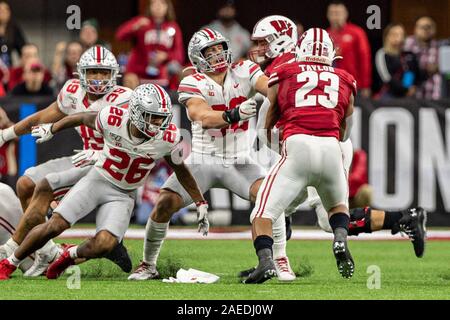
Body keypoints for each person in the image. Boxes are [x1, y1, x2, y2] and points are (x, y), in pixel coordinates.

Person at [128, 29, 296, 282]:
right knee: (164, 204)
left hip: (240, 160)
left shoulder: (245, 70)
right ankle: (148, 264)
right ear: (198, 57)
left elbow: (271, 90)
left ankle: (280, 260)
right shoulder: (192, 81)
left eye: (219, 48)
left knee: (270, 199)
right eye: (210, 51)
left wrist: (277, 90)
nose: (218, 54)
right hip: (203, 160)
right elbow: (202, 117)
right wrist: (234, 114)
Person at [0, 84, 208, 280]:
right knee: (55, 225)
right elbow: (81, 117)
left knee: (105, 244)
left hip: (123, 194)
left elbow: (182, 171)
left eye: (160, 118)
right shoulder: (113, 118)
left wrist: (200, 202)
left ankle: (68, 256)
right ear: (135, 112)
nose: (156, 124)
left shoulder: (167, 138)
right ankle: (10, 262)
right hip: (97, 179)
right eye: (151, 117)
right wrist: (52, 129)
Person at [0, 46, 133, 277]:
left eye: (103, 73)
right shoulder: (73, 91)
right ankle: (46, 250)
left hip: (110, 167)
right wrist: (6, 134)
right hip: (84, 159)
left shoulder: (124, 99)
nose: (99, 78)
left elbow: (135, 145)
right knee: (25, 184)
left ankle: (10, 251)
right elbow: (43, 116)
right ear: (81, 73)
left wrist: (103, 153)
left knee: (46, 190)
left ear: (114, 74)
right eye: (93, 72)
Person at [245, 27, 358, 284]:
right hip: (331, 148)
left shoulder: (284, 72)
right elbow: (345, 131)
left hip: (297, 145)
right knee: (338, 207)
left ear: (300, 49)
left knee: (262, 214)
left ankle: (266, 263)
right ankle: (339, 239)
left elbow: (270, 117)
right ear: (330, 52)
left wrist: (281, 139)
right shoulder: (345, 78)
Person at [116, 0, 184, 90]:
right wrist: (135, 26)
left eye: (162, 3)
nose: (158, 6)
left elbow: (180, 54)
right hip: (137, 74)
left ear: (168, 7)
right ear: (149, 6)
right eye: (154, 3)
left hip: (161, 77)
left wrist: (166, 56)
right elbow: (119, 36)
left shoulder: (173, 26)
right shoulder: (142, 22)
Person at [326, 1, 372, 98]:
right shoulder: (325, 34)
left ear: (345, 14)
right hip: (331, 85)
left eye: (338, 13)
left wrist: (365, 85)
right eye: (332, 13)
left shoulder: (357, 32)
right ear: (327, 15)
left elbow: (365, 59)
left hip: (353, 85)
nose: (335, 17)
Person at [374, 23, 423, 100]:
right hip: (389, 94)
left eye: (401, 34)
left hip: (407, 95)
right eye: (395, 34)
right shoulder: (382, 54)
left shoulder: (409, 55)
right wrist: (404, 89)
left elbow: (413, 73)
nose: (399, 37)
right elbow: (386, 78)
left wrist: (409, 88)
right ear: (387, 37)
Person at [404, 16, 442, 100]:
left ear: (434, 30)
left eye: (428, 27)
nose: (425, 30)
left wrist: (439, 67)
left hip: (434, 96)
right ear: (415, 29)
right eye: (422, 27)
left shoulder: (439, 47)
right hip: (412, 95)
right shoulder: (407, 45)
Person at [0, 1, 26, 68]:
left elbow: (23, 49)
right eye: (0, 10)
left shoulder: (14, 28)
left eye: (6, 10)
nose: (3, 12)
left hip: (8, 66)